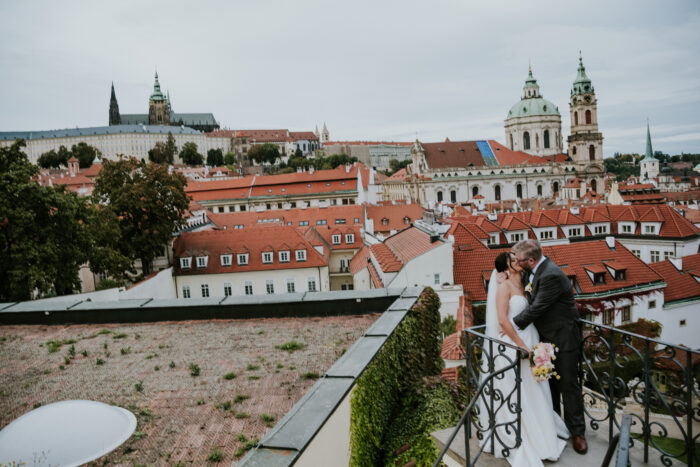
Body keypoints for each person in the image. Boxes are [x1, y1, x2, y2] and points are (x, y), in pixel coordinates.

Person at [479, 251, 569, 466]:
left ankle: (543, 434)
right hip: (514, 344)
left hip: (533, 338)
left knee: (536, 388)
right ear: (506, 268)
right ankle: (523, 437)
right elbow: (502, 319)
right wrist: (520, 345)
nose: (517, 261)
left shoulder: (526, 282)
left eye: (516, 258)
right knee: (519, 392)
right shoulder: (504, 287)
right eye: (512, 260)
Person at [511, 239, 588, 455]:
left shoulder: (551, 275)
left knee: (569, 385)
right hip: (544, 337)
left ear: (531, 260)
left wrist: (510, 326)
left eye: (519, 260)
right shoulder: (531, 271)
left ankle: (578, 433)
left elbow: (537, 308)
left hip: (564, 337)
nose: (517, 263)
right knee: (548, 383)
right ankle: (553, 425)